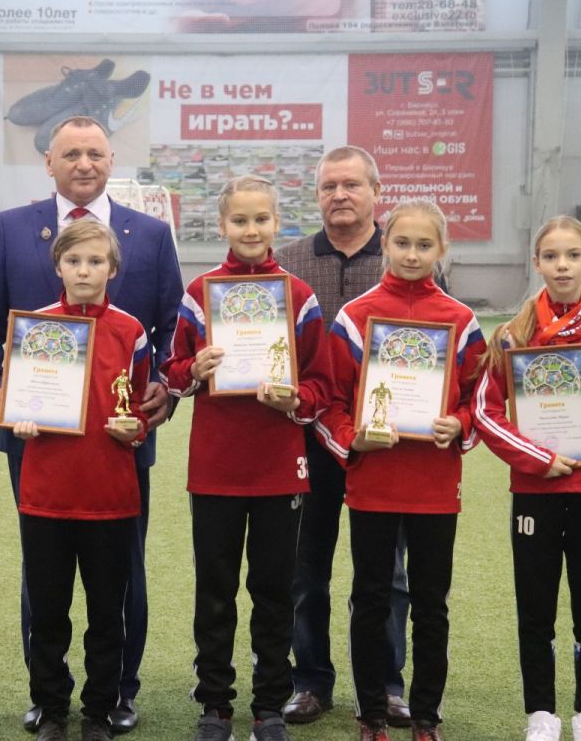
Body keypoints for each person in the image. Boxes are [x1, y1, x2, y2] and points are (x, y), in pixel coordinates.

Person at [0, 115, 183, 733]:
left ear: (111, 160)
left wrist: (165, 386)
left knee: (121, 576)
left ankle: (117, 694)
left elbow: (172, 325)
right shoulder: (14, 226)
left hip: (119, 446)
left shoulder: (150, 233)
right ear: (49, 162)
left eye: (95, 153)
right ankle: (49, 695)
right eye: (71, 154)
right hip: (37, 441)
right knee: (46, 575)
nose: (84, 163)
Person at [162, 175, 333, 741]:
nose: (251, 229)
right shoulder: (200, 292)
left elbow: (321, 384)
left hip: (279, 467)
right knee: (214, 592)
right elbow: (173, 372)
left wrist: (296, 399)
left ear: (277, 223)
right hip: (215, 467)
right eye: (240, 220)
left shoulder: (298, 296)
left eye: (261, 219)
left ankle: (268, 707)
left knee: (274, 592)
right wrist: (195, 369)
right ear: (222, 226)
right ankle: (215, 704)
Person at [471, 216, 581, 741]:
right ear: (537, 264)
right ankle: (541, 714)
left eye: (572, 255)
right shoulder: (512, 334)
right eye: (551, 256)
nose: (562, 266)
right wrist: (537, 457)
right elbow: (486, 412)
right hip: (536, 490)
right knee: (535, 609)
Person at [316, 199, 486, 741]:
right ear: (385, 244)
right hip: (374, 484)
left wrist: (460, 424)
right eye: (403, 243)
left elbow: (481, 400)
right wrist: (353, 439)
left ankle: (427, 716)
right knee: (370, 600)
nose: (413, 255)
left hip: (435, 486)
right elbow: (330, 403)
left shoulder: (462, 321)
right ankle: (371, 714)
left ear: (442, 250)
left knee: (431, 606)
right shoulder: (354, 317)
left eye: (425, 245)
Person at [274, 146, 413, 728]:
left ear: (376, 192)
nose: (340, 195)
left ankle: (384, 685)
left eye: (351, 185)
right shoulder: (287, 262)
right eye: (329, 186)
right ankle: (309, 681)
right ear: (317, 196)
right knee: (306, 567)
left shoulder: (405, 254)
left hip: (386, 442)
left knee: (388, 574)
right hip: (307, 439)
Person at [9, 219, 151, 741]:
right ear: (58, 267)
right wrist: (21, 419)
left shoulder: (131, 331)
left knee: (106, 615)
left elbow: (139, 406)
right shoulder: (35, 328)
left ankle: (98, 711)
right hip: (46, 496)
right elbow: (19, 398)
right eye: (74, 261)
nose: (84, 271)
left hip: (110, 496)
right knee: (48, 613)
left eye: (95, 261)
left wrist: (136, 428)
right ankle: (51, 709)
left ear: (112, 269)